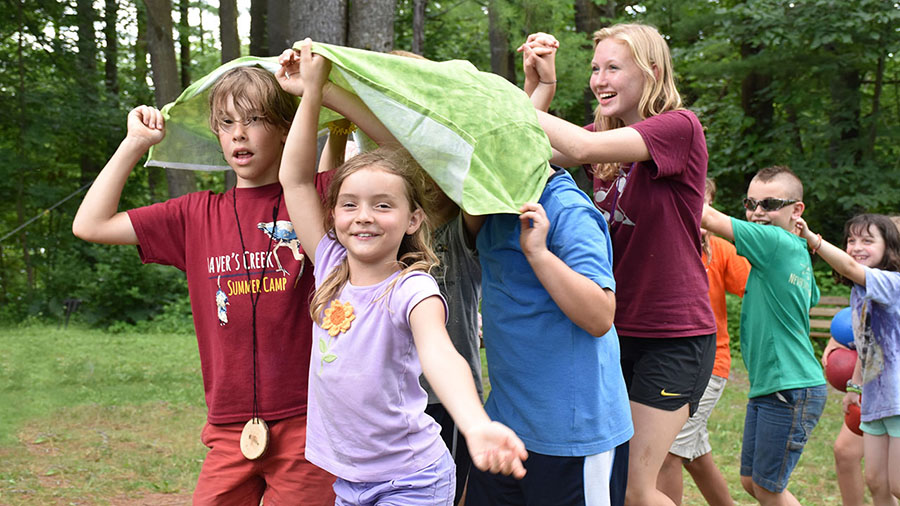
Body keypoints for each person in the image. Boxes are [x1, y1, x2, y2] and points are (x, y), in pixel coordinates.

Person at [71, 66, 337, 504]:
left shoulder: (317, 198)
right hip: (228, 425)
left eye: (254, 120)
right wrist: (134, 143)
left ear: (286, 128)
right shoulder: (194, 215)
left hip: (309, 421)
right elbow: (91, 223)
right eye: (227, 123)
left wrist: (317, 91)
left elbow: (391, 160)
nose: (239, 135)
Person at [277, 41, 527, 505]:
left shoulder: (412, 287)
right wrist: (311, 93)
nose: (364, 216)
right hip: (350, 480)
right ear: (332, 215)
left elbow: (440, 355)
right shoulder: (331, 263)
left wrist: (475, 423)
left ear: (414, 219)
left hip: (411, 480)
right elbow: (293, 180)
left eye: (383, 205)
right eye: (349, 204)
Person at [519, 24, 716, 506]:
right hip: (613, 332)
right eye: (593, 68)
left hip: (674, 336)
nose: (599, 79)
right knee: (619, 480)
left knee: (632, 487)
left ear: (649, 72)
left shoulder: (679, 127)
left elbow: (581, 151)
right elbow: (522, 151)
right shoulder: (597, 135)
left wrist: (497, 98)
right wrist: (537, 87)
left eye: (613, 68)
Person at [701, 165, 826, 505]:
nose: (758, 213)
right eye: (750, 204)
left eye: (769, 204)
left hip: (789, 385)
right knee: (751, 480)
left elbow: (707, 218)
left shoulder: (773, 242)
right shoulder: (797, 250)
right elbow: (810, 297)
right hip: (774, 385)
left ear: (796, 210)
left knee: (769, 489)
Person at [657, 178, 749, 506]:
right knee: (695, 456)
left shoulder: (722, 249)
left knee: (667, 452)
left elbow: (754, 288)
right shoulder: (660, 242)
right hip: (664, 362)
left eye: (703, 201)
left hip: (710, 364)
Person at [797, 213, 900, 505]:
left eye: (868, 240)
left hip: (898, 397)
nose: (856, 246)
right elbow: (867, 347)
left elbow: (849, 265)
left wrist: (811, 238)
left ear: (889, 247)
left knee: (898, 484)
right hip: (875, 400)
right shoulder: (859, 292)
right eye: (851, 240)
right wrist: (855, 388)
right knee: (876, 481)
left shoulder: (892, 283)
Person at [822, 337, 866, 506]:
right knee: (846, 452)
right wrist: (842, 336)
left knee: (893, 480)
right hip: (879, 378)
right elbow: (865, 316)